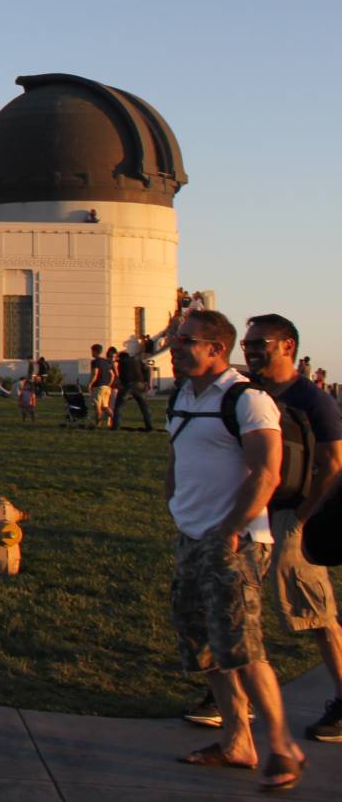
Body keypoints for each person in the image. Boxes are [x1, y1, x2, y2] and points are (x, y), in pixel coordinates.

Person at [165, 306, 303, 790]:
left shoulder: (247, 399)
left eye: (185, 340)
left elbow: (268, 471)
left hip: (235, 541)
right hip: (192, 536)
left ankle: (283, 748)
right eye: (177, 339)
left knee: (242, 646)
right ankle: (237, 740)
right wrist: (175, 504)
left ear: (214, 348)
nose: (175, 347)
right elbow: (178, 454)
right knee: (201, 644)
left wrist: (231, 527)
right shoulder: (183, 394)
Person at [197, 313, 342, 745]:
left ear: (288, 346)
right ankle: (231, 698)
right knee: (237, 603)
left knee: (312, 611)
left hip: (295, 512)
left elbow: (334, 464)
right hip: (253, 511)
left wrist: (302, 518)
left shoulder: (312, 399)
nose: (252, 349)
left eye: (261, 343)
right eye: (248, 343)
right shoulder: (249, 392)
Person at [89, 343, 116, 428]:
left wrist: (90, 384)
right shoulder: (106, 362)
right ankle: (115, 420)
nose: (92, 353)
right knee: (105, 407)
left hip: (98, 387)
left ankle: (98, 424)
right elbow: (112, 375)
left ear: (96, 352)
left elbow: (95, 374)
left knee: (97, 406)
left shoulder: (95, 362)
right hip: (106, 387)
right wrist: (109, 384)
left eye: (92, 351)